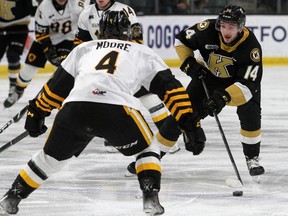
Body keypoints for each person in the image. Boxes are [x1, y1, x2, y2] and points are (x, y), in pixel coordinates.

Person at [0, 10, 205, 215]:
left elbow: (56, 87)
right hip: (116, 110)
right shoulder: (141, 51)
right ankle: (150, 198)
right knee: (148, 149)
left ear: (100, 31)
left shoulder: (84, 48)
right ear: (128, 32)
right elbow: (172, 90)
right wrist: (188, 121)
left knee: (48, 159)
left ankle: (13, 196)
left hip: (75, 109)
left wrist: (37, 111)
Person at [173, 4, 265, 177]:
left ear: (240, 27)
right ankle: (153, 155)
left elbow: (247, 85)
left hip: (238, 83)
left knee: (250, 112)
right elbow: (181, 39)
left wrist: (223, 97)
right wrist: (188, 63)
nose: (226, 31)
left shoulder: (251, 47)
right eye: (223, 26)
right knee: (184, 110)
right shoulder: (206, 29)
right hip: (208, 78)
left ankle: (252, 158)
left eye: (231, 27)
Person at [74, 0, 176, 153]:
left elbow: (137, 39)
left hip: (123, 63)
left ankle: (168, 137)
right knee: (106, 98)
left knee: (149, 98)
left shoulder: (126, 10)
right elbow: (80, 43)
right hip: (101, 66)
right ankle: (112, 136)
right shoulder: (86, 13)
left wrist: (127, 61)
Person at [3, 0, 91, 108]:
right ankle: (18, 91)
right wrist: (50, 53)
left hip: (68, 40)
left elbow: (85, 24)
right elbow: (41, 34)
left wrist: (77, 44)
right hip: (47, 40)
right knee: (28, 70)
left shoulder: (78, 5)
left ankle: (67, 98)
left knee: (66, 72)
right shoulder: (44, 7)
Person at [0, 0, 39, 101]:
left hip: (19, 28)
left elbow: (36, 11)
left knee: (13, 55)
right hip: (1, 28)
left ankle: (13, 86)